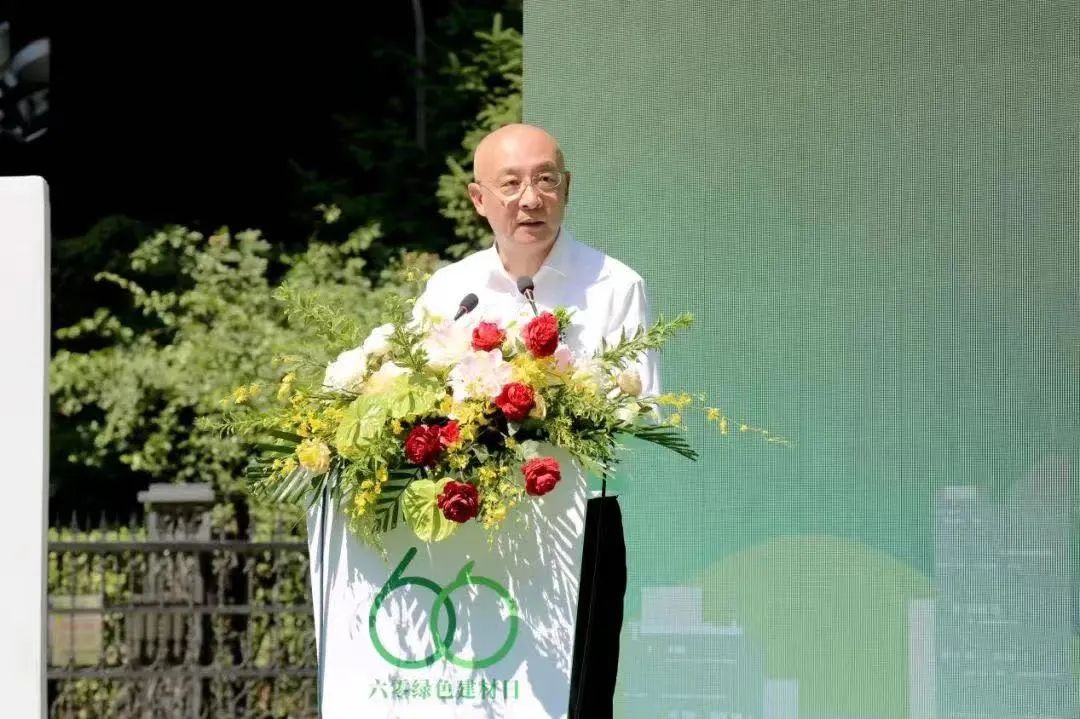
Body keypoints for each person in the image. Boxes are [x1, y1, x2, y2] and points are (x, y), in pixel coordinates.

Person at [414, 122, 659, 719]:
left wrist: (561, 402)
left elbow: (643, 408)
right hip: (471, 521)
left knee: (575, 699)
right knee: (474, 695)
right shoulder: (451, 289)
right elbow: (413, 395)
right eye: (512, 184)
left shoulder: (615, 285)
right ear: (479, 199)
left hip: (579, 523)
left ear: (566, 189)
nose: (531, 199)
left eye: (546, 181)